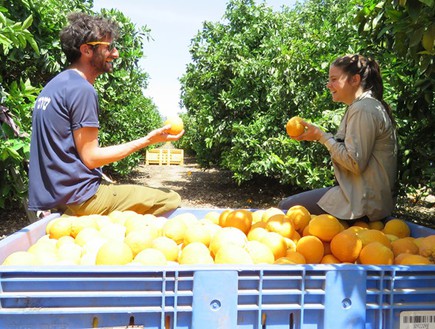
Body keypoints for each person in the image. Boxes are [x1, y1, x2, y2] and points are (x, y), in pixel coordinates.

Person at [28, 12, 184, 217]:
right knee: (171, 198)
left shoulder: (53, 86)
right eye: (108, 47)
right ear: (86, 50)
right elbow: (91, 158)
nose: (116, 53)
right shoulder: (81, 89)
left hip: (55, 197)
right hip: (80, 199)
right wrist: (147, 140)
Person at [279, 54, 398, 221]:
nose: (328, 85)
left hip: (362, 203)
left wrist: (322, 137)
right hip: (359, 195)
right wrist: (319, 137)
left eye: (334, 79)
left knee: (287, 208)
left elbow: (354, 163)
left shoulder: (363, 108)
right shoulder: (363, 106)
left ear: (354, 80)